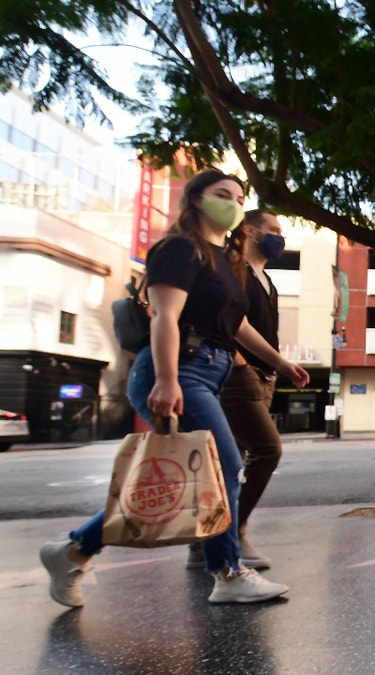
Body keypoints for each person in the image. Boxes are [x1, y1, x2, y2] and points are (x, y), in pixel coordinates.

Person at [39, 170, 309, 607]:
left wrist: (280, 361)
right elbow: (164, 317)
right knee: (224, 468)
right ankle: (227, 571)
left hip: (209, 370)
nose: (234, 203)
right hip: (179, 368)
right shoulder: (179, 249)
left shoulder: (226, 258)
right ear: (197, 199)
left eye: (239, 197)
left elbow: (235, 324)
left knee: (172, 480)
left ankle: (72, 550)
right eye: (223, 194)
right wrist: (166, 380)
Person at [185, 208, 285, 570]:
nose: (278, 236)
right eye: (272, 229)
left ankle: (206, 543)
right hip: (237, 375)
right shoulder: (231, 269)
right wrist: (239, 363)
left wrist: (278, 364)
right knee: (267, 449)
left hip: (262, 375)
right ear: (250, 231)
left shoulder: (266, 279)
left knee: (230, 461)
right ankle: (234, 533)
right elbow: (230, 323)